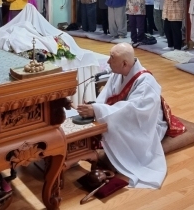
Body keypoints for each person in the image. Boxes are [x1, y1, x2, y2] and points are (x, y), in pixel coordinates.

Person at [76, 43, 185, 189]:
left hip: (145, 120)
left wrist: (98, 110)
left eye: (112, 58)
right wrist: (95, 108)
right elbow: (106, 95)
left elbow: (132, 111)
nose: (108, 61)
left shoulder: (146, 83)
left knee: (133, 144)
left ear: (125, 63)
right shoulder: (119, 72)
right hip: (122, 115)